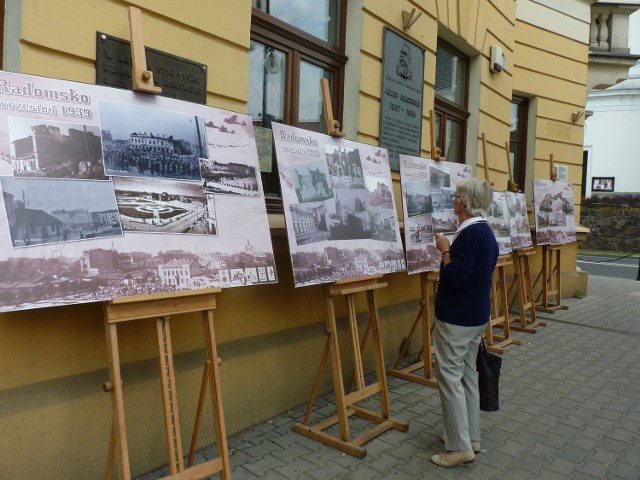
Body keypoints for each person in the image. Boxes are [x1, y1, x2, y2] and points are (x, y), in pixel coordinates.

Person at [431, 177, 499, 468]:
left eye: (457, 195)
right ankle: (470, 438)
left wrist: (445, 250)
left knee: (450, 377)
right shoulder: (485, 232)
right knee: (468, 375)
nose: (453, 199)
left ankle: (458, 448)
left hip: (457, 319)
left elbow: (456, 277)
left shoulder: (469, 235)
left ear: (465, 203)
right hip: (474, 317)